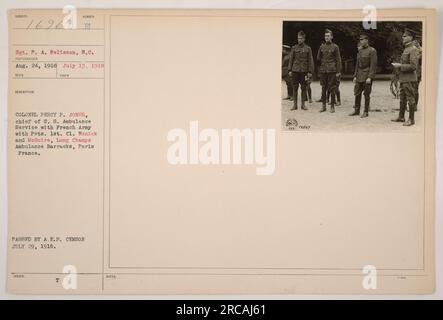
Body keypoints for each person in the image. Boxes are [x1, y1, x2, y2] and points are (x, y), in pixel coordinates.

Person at [391, 29, 419, 126]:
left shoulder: (413, 49)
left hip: (410, 79)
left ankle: (411, 119)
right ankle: (401, 117)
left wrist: (400, 66)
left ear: (411, 37)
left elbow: (413, 66)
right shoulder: (406, 49)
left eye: (405, 36)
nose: (402, 37)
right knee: (402, 98)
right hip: (403, 78)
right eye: (403, 36)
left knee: (410, 99)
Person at [349, 33, 378, 118]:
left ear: (366, 40)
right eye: (360, 40)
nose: (361, 41)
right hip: (359, 75)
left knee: (366, 94)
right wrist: (355, 76)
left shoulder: (372, 51)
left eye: (362, 40)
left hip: (367, 75)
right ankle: (356, 110)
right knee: (357, 93)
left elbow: (373, 65)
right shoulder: (360, 50)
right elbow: (357, 64)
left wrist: (370, 77)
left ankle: (366, 111)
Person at [288, 30, 314, 110]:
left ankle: (303, 105)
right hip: (295, 70)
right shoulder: (294, 48)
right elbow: (291, 60)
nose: (299, 40)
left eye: (301, 38)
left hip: (304, 71)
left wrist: (310, 71)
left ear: (304, 39)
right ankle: (295, 105)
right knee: (295, 88)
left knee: (304, 88)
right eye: (298, 38)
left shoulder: (308, 48)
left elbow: (310, 60)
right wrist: (290, 70)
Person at [317, 29, 342, 113]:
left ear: (332, 37)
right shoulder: (322, 46)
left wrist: (338, 71)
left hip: (332, 70)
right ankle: (323, 106)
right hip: (323, 70)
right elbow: (318, 58)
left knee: (332, 88)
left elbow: (338, 60)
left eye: (328, 36)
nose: (326, 37)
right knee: (323, 88)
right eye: (325, 36)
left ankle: (332, 106)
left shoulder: (335, 47)